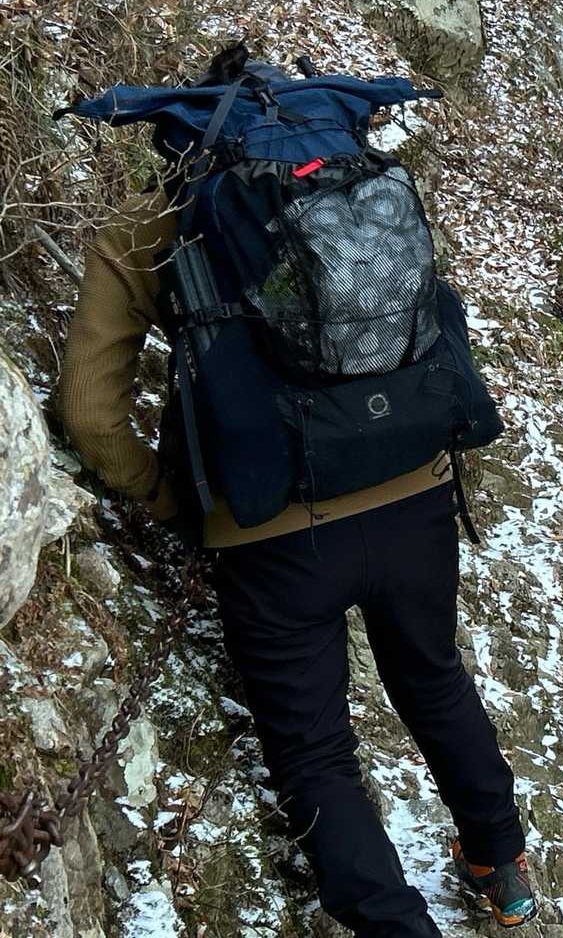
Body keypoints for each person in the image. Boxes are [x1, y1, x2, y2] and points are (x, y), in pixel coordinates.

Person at [55, 96, 538, 932]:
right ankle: (500, 862)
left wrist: (172, 497)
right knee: (432, 676)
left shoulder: (151, 221)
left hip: (272, 530)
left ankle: (394, 924)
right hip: (412, 486)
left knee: (316, 753)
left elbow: (90, 413)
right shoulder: (353, 185)